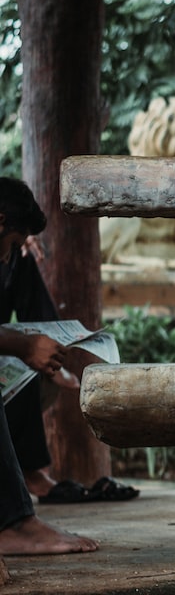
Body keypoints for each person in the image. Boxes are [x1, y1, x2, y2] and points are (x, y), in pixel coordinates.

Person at [0, 177, 97, 554]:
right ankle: (12, 523)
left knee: (31, 370)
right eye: (11, 243)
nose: (11, 254)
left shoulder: (14, 259)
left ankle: (22, 483)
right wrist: (23, 345)